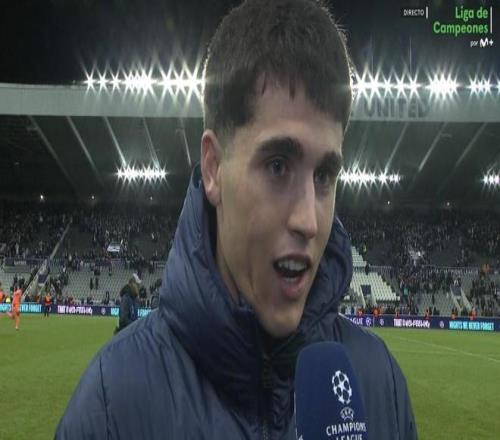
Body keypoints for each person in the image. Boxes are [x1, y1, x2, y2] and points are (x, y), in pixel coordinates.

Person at [56, 1, 417, 438]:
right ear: (213, 168)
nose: (309, 221)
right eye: (278, 166)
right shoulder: (111, 405)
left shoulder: (379, 385)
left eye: (324, 175)